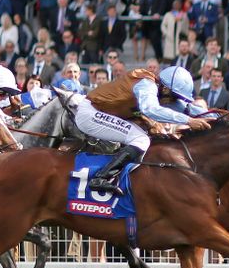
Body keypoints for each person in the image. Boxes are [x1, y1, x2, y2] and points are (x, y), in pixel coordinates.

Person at [77, 66, 212, 194]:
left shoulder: (162, 90)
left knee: (144, 138)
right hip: (90, 113)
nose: (176, 101)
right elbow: (150, 109)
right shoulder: (146, 85)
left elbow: (188, 108)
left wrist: (222, 115)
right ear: (165, 89)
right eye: (175, 96)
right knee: (140, 139)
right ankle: (101, 178)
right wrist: (189, 121)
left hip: (102, 113)